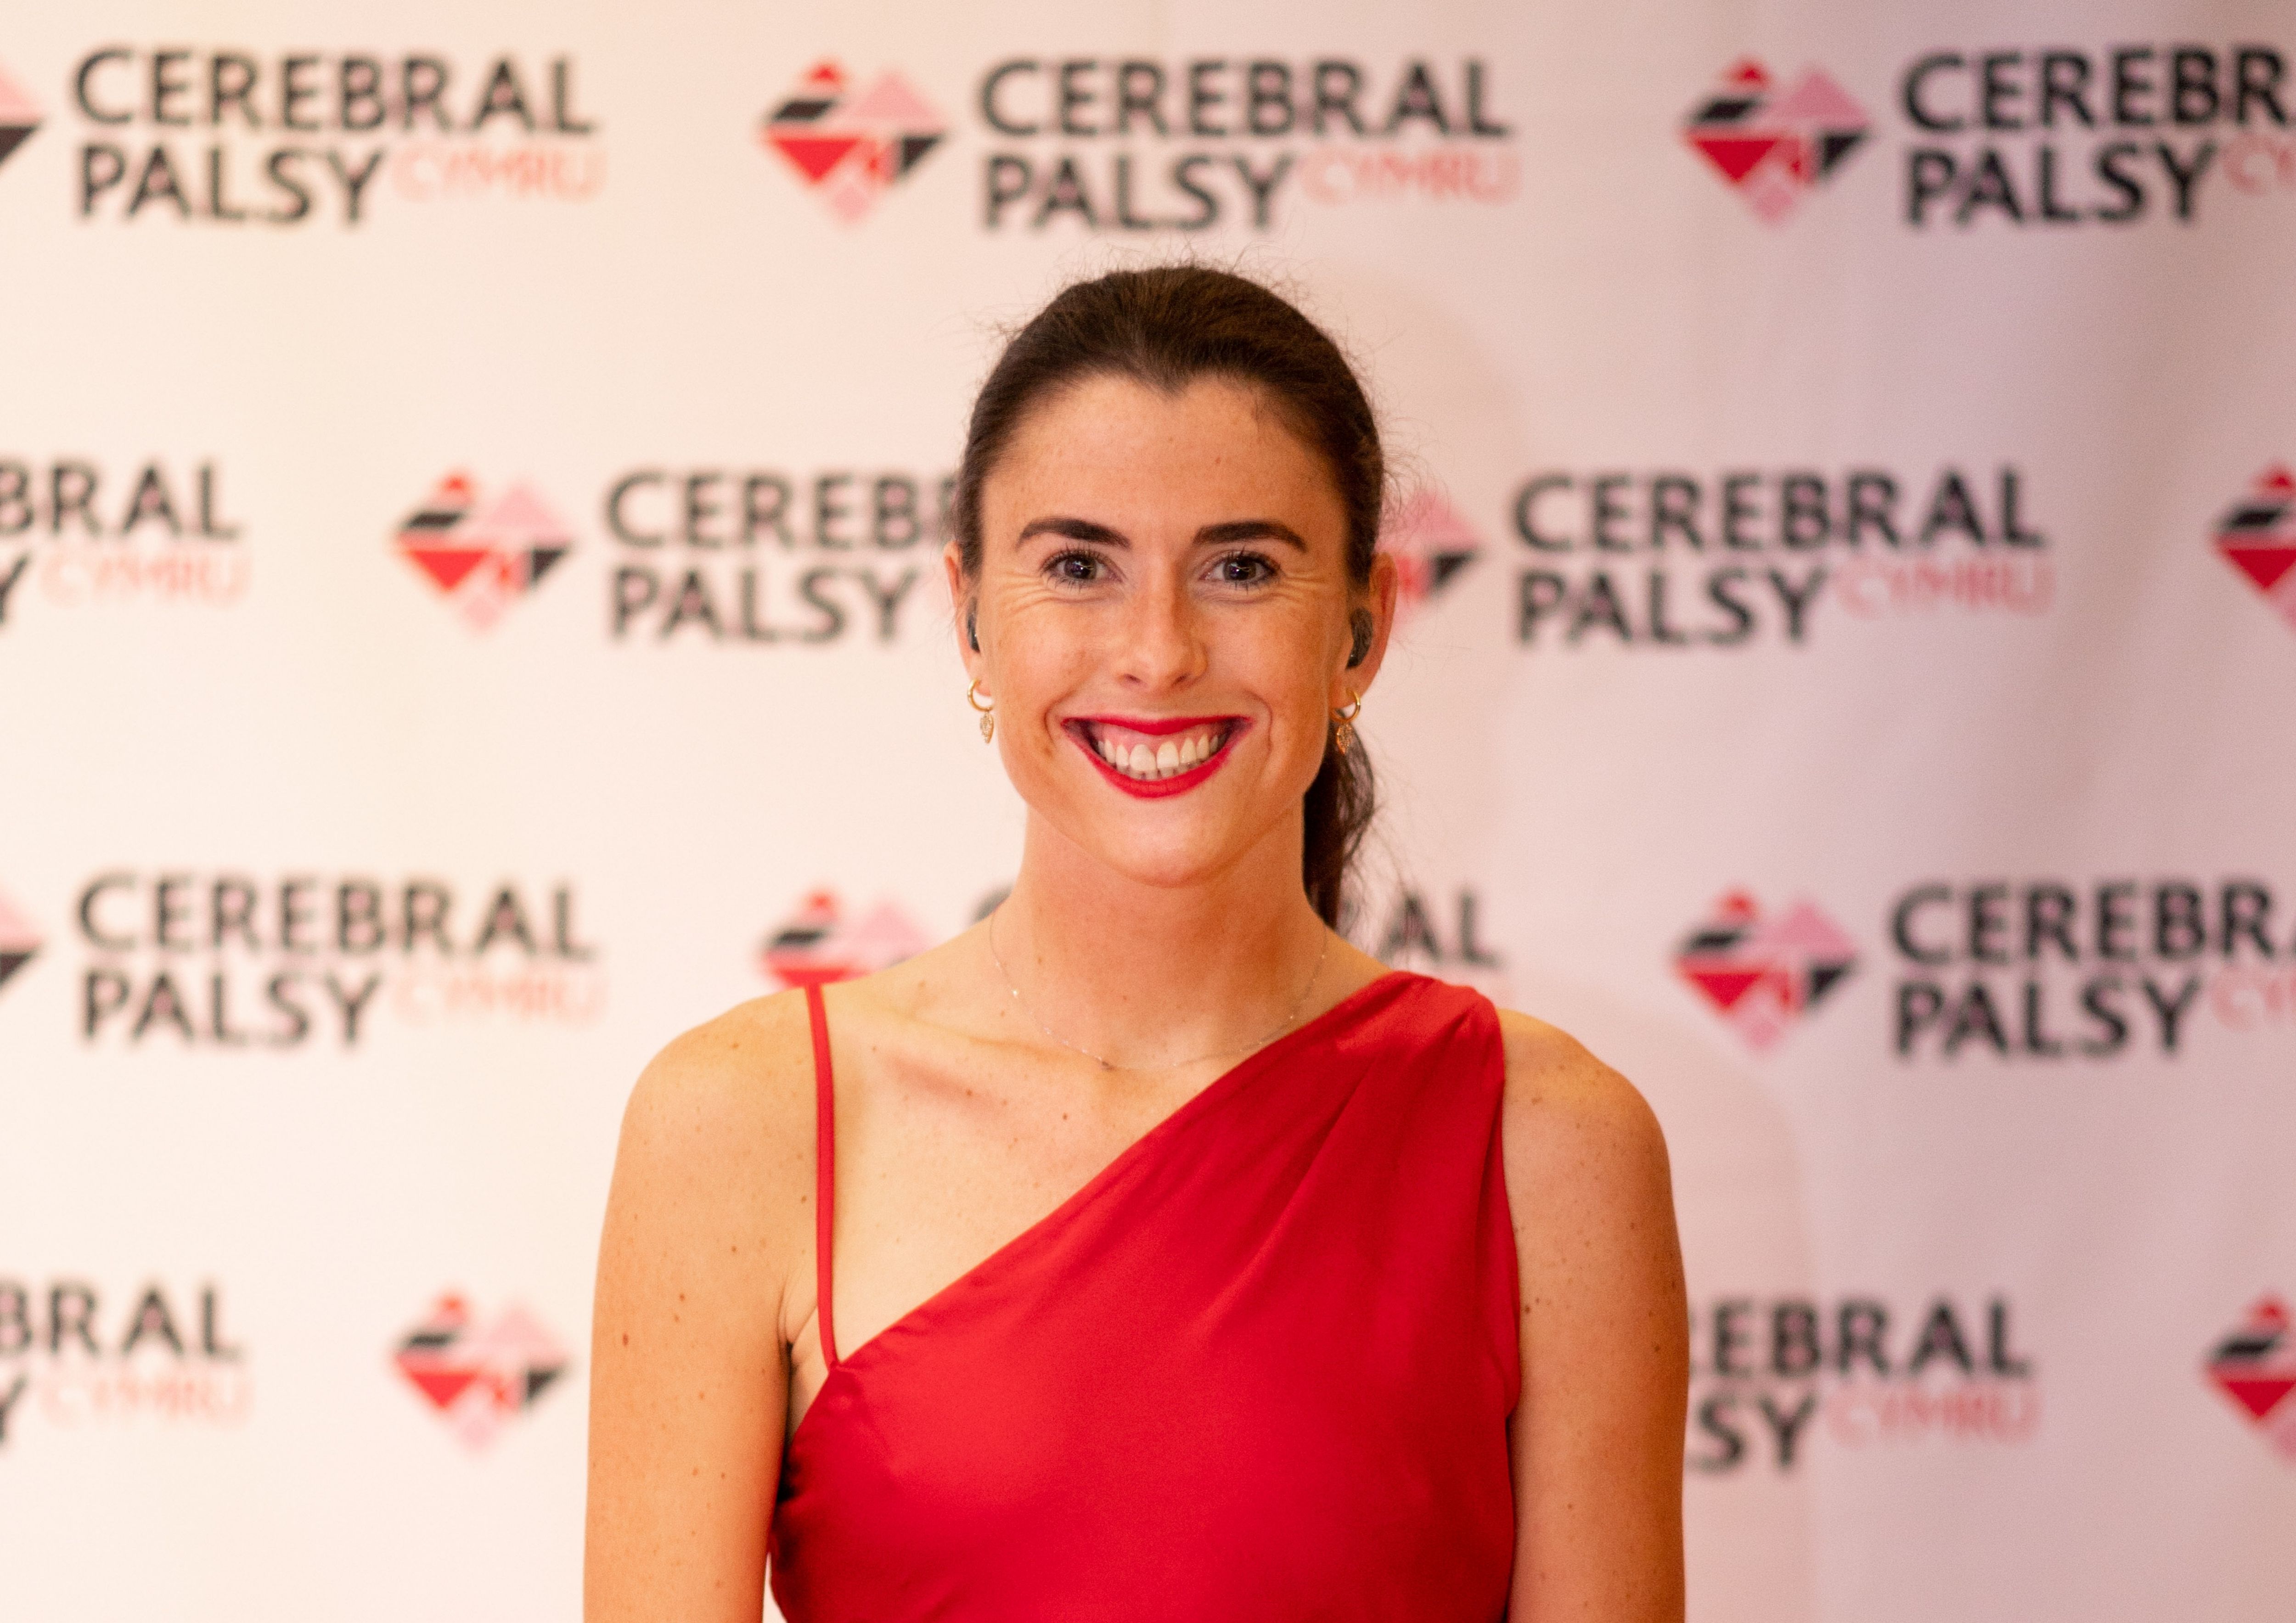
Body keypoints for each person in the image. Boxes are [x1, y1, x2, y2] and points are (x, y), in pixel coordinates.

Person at [585, 266, 1688, 1621]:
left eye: (1240, 568)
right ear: (972, 616)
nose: (1157, 652)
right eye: (1078, 567)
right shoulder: (743, 1123)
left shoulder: (1553, 1144)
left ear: (1361, 630)